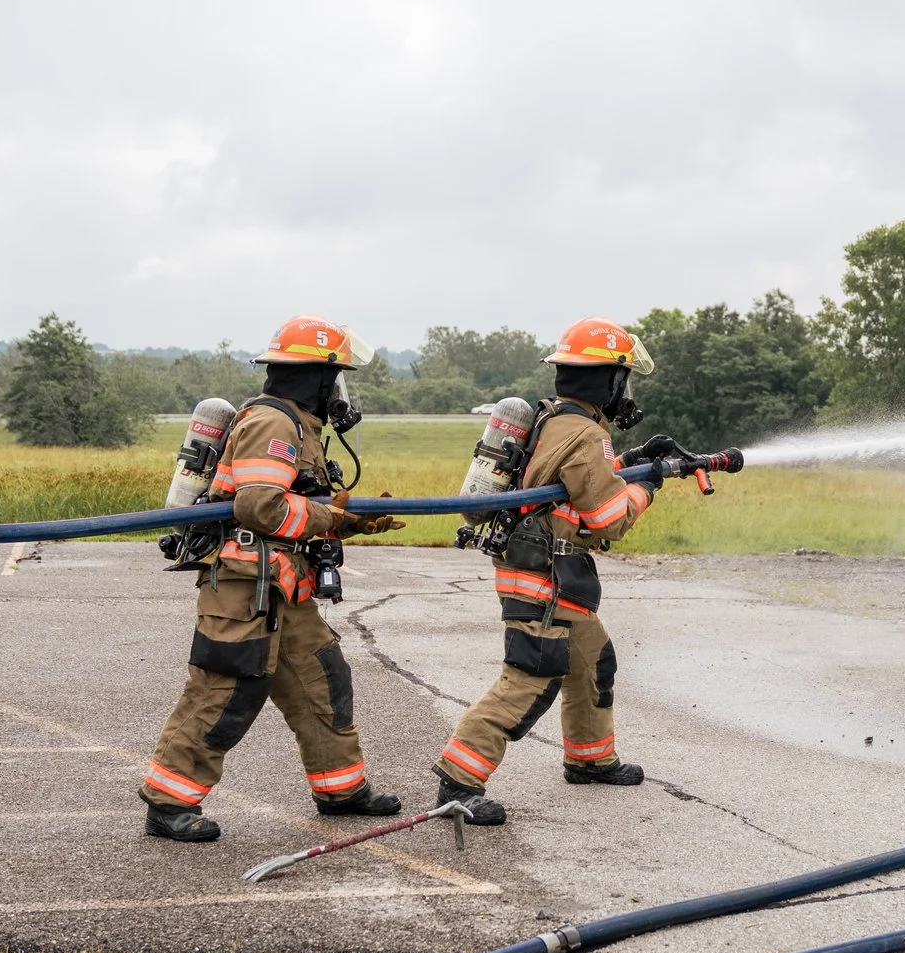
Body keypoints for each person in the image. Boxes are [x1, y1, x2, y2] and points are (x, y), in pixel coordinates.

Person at [141, 316, 405, 842]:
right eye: (335, 378)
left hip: (282, 589)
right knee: (225, 692)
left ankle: (341, 789)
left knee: (321, 680)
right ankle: (168, 803)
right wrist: (332, 516)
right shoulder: (273, 424)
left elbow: (297, 507)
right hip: (244, 589)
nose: (338, 391)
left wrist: (350, 521)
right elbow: (261, 507)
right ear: (315, 377)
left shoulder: (298, 425)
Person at [434, 318, 676, 824]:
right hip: (544, 580)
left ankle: (590, 759)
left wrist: (631, 460)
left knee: (591, 661)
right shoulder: (585, 433)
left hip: (553, 574)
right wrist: (647, 488)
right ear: (609, 380)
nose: (625, 391)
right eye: (624, 379)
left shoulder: (557, 419)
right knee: (530, 678)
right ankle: (459, 782)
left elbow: (575, 484)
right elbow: (608, 518)